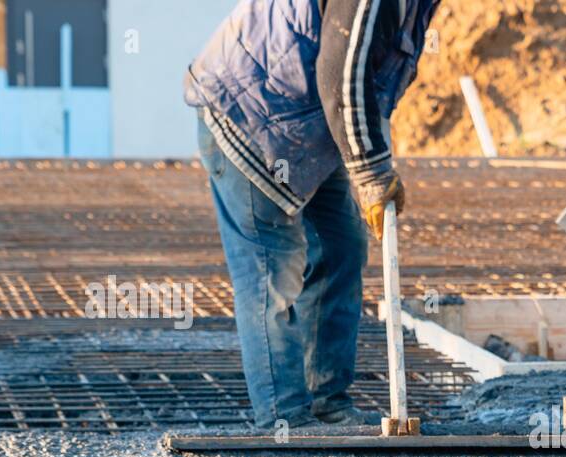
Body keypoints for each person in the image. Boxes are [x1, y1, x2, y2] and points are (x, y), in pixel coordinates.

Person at [185, 0, 441, 429]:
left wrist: (370, 155)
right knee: (272, 270)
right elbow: (342, 72)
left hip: (310, 121)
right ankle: (284, 418)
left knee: (342, 244)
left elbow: (374, 73)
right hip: (246, 110)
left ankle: (328, 401)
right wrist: (372, 172)